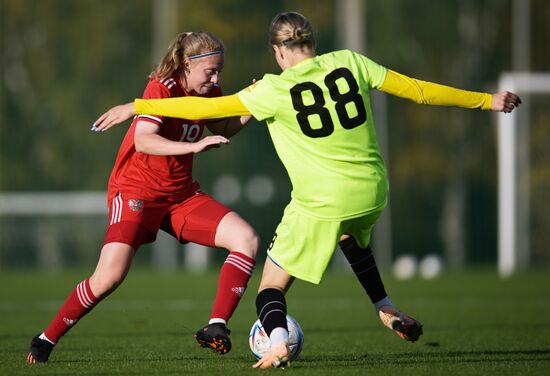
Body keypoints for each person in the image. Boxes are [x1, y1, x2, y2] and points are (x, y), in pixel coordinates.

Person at [94, 12, 522, 369]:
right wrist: (487, 101)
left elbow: (204, 108)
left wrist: (138, 105)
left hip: (321, 199)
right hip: (373, 188)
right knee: (351, 237)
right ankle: (385, 307)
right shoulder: (352, 62)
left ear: (279, 52)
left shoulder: (273, 89)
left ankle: (277, 340)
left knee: (270, 288)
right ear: (312, 42)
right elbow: (419, 91)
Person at [26, 31, 258, 364]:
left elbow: (224, 127)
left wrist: (254, 103)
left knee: (246, 239)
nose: (216, 78)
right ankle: (46, 338)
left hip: (180, 196)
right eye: (210, 71)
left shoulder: (211, 91)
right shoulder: (161, 88)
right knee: (109, 277)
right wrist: (194, 146)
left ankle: (216, 327)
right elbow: (145, 140)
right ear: (185, 65)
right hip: (136, 191)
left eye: (219, 70)